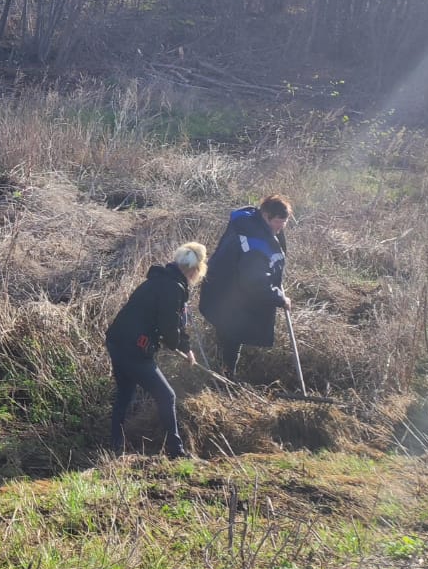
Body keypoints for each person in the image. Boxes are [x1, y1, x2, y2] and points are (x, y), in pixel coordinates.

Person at [105, 243, 207, 457]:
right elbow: (170, 327)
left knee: (125, 394)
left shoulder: (159, 280)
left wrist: (184, 346)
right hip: (134, 348)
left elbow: (171, 324)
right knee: (167, 396)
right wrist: (179, 346)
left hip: (117, 341)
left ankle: (115, 447)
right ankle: (175, 450)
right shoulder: (173, 288)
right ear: (194, 270)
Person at [199, 195, 292, 376]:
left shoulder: (248, 220)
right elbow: (255, 282)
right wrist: (280, 298)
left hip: (225, 287)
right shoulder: (255, 242)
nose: (281, 228)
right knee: (232, 334)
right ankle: (225, 376)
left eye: (284, 222)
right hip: (231, 292)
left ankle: (223, 371)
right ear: (265, 215)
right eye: (278, 222)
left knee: (229, 332)